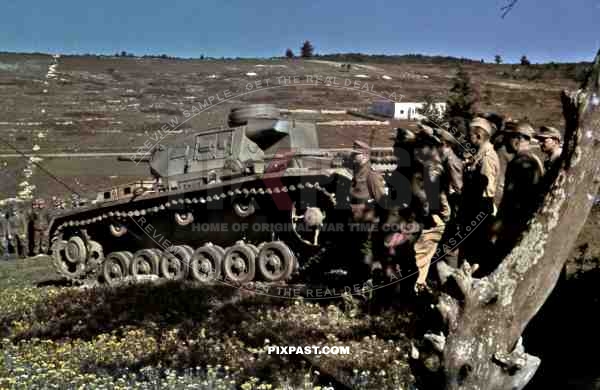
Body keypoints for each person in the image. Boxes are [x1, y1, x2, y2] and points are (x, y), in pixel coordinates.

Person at [492, 121, 544, 262]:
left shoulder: (519, 161)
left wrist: (498, 222)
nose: (509, 141)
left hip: (513, 218)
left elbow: (510, 195)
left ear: (518, 138)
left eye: (511, 137)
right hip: (527, 215)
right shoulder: (535, 159)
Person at [459, 117, 500, 268]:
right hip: (476, 206)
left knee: (475, 252)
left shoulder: (487, 157)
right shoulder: (480, 154)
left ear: (479, 136)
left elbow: (485, 187)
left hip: (479, 207)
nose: (469, 138)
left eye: (471, 135)